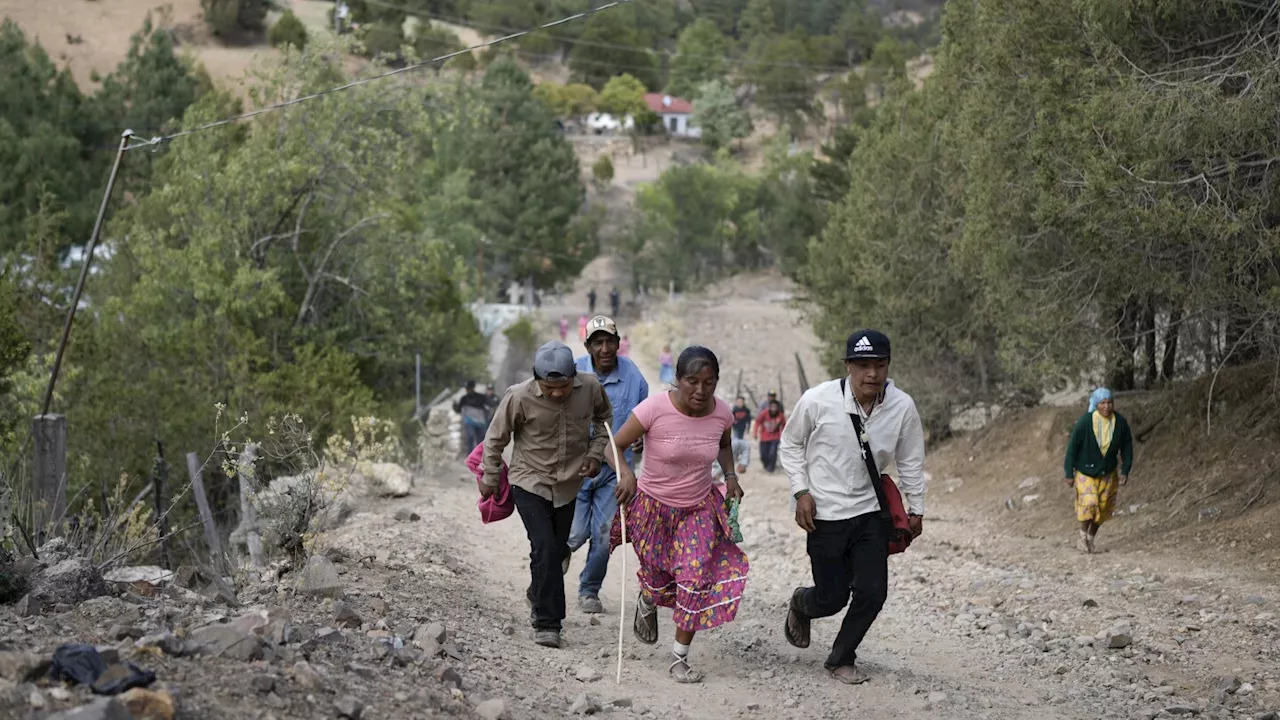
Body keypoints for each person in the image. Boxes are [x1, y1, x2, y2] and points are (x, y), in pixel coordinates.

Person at [778, 329, 926, 685]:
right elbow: (791, 444)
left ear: (888, 366)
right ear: (848, 366)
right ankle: (802, 603)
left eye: (879, 365)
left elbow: (910, 460)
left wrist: (916, 507)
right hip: (824, 515)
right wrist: (801, 492)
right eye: (862, 365)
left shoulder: (902, 407)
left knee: (873, 592)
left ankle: (841, 658)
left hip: (870, 513)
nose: (871, 374)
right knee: (831, 598)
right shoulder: (818, 400)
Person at [607, 346, 748, 684]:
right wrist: (626, 474)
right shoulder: (654, 408)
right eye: (692, 381)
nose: (700, 391)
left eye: (709, 383)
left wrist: (730, 477)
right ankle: (648, 596)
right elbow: (612, 445)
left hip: (698, 508)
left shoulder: (722, 414)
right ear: (678, 379)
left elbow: (725, 446)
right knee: (658, 582)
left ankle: (679, 659)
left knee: (695, 578)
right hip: (653, 508)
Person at [480, 342, 613, 648]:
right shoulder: (519, 396)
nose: (556, 393)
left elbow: (604, 422)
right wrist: (489, 477)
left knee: (555, 551)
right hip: (529, 480)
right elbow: (495, 438)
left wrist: (595, 455)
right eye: (549, 387)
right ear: (537, 379)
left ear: (574, 377)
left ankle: (536, 592)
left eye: (564, 387)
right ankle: (548, 622)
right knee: (543, 548)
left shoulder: (591, 388)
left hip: (569, 484)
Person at [569, 316, 649, 614]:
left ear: (618, 343)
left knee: (604, 536)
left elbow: (644, 417)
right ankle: (555, 561)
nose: (605, 348)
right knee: (574, 535)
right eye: (597, 342)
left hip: (615, 474)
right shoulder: (572, 372)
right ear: (588, 346)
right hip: (574, 470)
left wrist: (641, 439)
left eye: (610, 341)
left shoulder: (633, 377)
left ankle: (589, 590)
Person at [1063, 387, 1133, 553]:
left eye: (1109, 403)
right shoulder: (1085, 422)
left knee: (1102, 509)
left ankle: (1090, 539)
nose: (1107, 407)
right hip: (1085, 472)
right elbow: (1073, 447)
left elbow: (1127, 448)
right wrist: (1068, 472)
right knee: (1090, 503)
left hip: (1108, 472)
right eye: (1102, 403)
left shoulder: (1120, 423)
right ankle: (1081, 537)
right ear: (1096, 404)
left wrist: (1125, 470)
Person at [452, 380, 489, 454]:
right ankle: (470, 456)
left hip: (480, 422)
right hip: (469, 421)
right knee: (470, 437)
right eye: (467, 388)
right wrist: (454, 405)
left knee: (480, 440)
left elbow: (488, 406)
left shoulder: (481, 397)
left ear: (473, 388)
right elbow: (458, 410)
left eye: (469, 388)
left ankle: (479, 456)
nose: (467, 390)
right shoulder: (464, 399)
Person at [752, 399, 786, 473]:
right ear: (769, 407)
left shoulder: (780, 415)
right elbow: (757, 422)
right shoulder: (764, 413)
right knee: (763, 455)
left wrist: (784, 436)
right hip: (764, 437)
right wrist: (755, 433)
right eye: (772, 407)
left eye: (775, 407)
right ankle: (766, 465)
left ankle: (771, 468)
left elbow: (784, 426)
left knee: (773, 453)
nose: (773, 409)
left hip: (775, 437)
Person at [730, 396, 753, 474]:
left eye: (741, 402)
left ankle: (737, 455)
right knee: (736, 440)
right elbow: (731, 418)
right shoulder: (734, 410)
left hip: (742, 427)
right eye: (738, 402)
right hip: (736, 427)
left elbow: (749, 419)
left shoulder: (746, 410)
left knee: (741, 440)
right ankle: (734, 455)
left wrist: (748, 427)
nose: (740, 403)